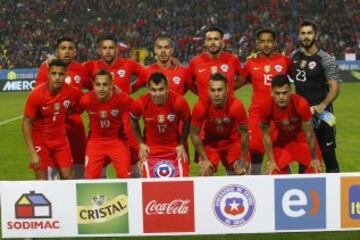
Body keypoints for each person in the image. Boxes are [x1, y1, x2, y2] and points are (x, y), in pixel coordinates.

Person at [84, 35, 144, 177]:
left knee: (133, 164)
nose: (108, 51)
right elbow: (73, 72)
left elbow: (147, 75)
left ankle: (133, 195)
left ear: (117, 50)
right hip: (100, 126)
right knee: (99, 167)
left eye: (111, 48)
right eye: (104, 48)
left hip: (126, 125)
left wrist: (131, 89)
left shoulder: (128, 64)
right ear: (99, 50)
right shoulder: (91, 66)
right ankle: (102, 195)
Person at [35, 37, 89, 179]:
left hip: (74, 125)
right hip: (52, 126)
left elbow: (89, 92)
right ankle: (52, 197)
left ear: (75, 52)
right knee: (50, 167)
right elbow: (38, 93)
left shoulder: (81, 69)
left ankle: (75, 198)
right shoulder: (47, 68)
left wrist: (78, 109)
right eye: (63, 48)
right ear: (57, 51)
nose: (67, 51)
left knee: (78, 164)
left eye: (70, 48)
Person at [290, 20, 340, 173]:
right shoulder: (294, 56)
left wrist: (322, 106)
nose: (306, 37)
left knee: (328, 156)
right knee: (304, 160)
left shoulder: (325, 59)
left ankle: (336, 195)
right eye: (303, 33)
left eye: (309, 33)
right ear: (299, 35)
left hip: (324, 115)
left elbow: (335, 88)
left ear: (316, 35)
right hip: (303, 117)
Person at [22, 59, 82, 180]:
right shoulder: (36, 94)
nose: (57, 77)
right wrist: (32, 152)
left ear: (65, 75)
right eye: (54, 73)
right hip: (41, 141)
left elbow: (87, 101)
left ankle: (65, 199)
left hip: (60, 141)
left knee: (68, 176)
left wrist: (113, 91)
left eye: (60, 74)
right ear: (48, 74)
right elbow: (26, 123)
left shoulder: (71, 91)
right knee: (42, 180)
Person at [243, 29, 292, 175]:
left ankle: (286, 183)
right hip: (257, 114)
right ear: (257, 44)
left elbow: (301, 80)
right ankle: (255, 182)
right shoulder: (251, 62)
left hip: (280, 114)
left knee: (280, 153)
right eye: (262, 42)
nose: (266, 45)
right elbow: (236, 83)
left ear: (274, 43)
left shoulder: (284, 61)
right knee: (255, 150)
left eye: (269, 41)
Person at [129, 72, 191, 178]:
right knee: (149, 184)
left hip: (174, 148)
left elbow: (187, 121)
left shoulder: (178, 102)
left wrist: (182, 143)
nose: (157, 94)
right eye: (154, 90)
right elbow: (133, 119)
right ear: (148, 89)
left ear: (167, 88)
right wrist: (141, 143)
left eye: (161, 89)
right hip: (151, 149)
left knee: (183, 181)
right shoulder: (140, 103)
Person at [259, 75, 322, 174]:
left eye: (285, 93)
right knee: (273, 172)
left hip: (302, 140)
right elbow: (265, 135)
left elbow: (309, 134)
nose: (281, 97)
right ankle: (285, 169)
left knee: (315, 171)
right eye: (277, 93)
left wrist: (314, 158)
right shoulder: (265, 107)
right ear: (271, 91)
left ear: (290, 90)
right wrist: (271, 161)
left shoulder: (301, 104)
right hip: (282, 142)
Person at [190, 73, 250, 176]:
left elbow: (245, 133)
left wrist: (243, 159)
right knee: (205, 173)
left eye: (220, 90)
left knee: (242, 171)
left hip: (232, 142)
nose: (216, 94)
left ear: (227, 89)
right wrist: (204, 159)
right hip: (210, 143)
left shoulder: (236, 106)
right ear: (208, 91)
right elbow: (194, 133)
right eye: (213, 90)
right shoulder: (200, 106)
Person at [79, 70, 132, 179]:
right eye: (98, 84)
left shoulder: (122, 99)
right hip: (95, 142)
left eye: (105, 84)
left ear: (111, 85)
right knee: (89, 178)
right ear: (93, 85)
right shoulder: (86, 100)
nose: (101, 88)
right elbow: (73, 110)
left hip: (117, 141)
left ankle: (123, 196)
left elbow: (139, 110)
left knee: (125, 177)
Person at [188, 27, 246, 102]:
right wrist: (202, 93)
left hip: (228, 110)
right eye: (209, 39)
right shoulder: (194, 62)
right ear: (205, 42)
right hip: (205, 110)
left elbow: (242, 80)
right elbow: (189, 83)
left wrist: (229, 89)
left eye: (216, 39)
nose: (212, 42)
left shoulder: (233, 60)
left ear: (222, 42)